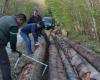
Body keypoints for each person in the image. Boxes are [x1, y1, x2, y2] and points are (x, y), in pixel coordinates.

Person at [0, 14, 26, 80]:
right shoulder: (14, 25)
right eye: (21, 23)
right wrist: (13, 49)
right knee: (5, 63)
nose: (20, 25)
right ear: (19, 19)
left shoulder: (6, 17)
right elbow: (13, 40)